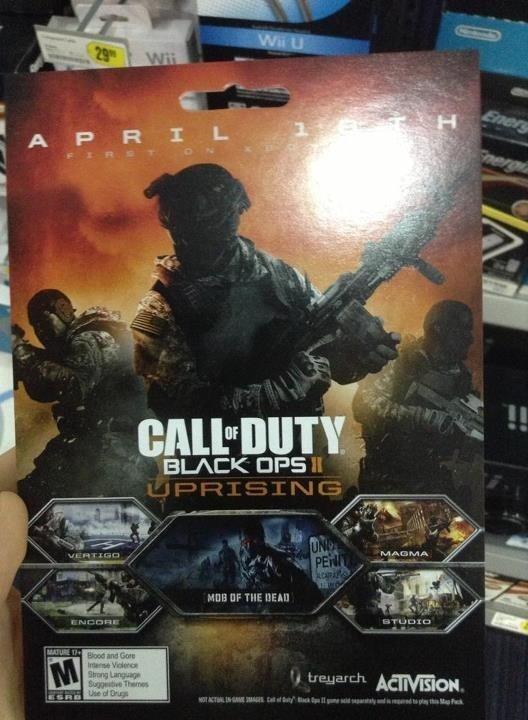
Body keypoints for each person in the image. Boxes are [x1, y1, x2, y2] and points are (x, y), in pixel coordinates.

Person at [131, 163, 398, 422]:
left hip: (296, 441)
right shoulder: (161, 305)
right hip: (219, 448)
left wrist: (358, 355)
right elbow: (173, 405)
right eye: (190, 230)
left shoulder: (281, 277)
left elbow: (326, 355)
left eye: (216, 224)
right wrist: (272, 393)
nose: (196, 241)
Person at [12, 290, 157, 515]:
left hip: (113, 452)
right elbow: (45, 390)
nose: (40, 332)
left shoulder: (92, 338)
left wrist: (22, 353)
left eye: (43, 322)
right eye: (35, 326)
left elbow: (73, 385)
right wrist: (24, 358)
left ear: (62, 310)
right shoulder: (80, 343)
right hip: (98, 447)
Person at [353, 300, 481, 501]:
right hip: (387, 476)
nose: (470, 338)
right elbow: (363, 405)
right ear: (439, 328)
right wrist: (422, 416)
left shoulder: (461, 377)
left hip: (431, 478)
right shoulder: (401, 360)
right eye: (463, 328)